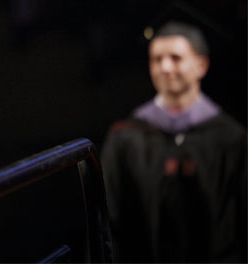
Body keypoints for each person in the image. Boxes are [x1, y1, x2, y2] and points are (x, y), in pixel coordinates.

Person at [101, 21, 247, 263]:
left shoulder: (231, 139)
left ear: (201, 65)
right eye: (156, 59)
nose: (165, 67)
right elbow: (110, 218)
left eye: (176, 58)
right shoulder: (126, 137)